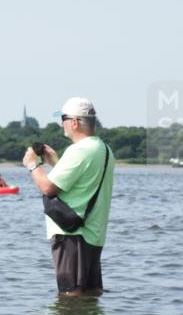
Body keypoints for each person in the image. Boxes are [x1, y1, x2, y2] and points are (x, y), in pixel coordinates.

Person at [24, 97, 115, 297]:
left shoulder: (79, 150)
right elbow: (81, 183)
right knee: (90, 297)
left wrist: (33, 164)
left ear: (74, 122)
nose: (61, 124)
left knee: (70, 297)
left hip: (73, 236)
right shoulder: (104, 149)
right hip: (93, 235)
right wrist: (56, 162)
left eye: (63, 118)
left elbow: (48, 188)